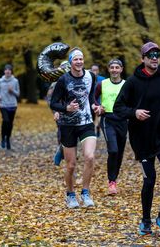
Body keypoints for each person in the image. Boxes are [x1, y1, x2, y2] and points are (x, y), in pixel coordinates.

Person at [114, 42, 160, 236]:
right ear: (143, 59)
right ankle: (145, 219)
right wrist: (134, 112)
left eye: (157, 54)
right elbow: (118, 108)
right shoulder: (132, 82)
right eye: (150, 55)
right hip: (142, 138)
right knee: (150, 180)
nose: (154, 58)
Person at [50, 47, 99, 209]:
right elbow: (54, 103)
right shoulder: (63, 80)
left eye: (81, 59)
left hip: (86, 123)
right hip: (67, 125)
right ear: (71, 62)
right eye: (76, 59)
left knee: (90, 157)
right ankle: (70, 194)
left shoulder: (91, 76)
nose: (79, 62)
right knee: (71, 165)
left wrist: (96, 106)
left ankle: (85, 192)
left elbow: (92, 98)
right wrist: (66, 108)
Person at [94, 59, 127, 195]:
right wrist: (97, 106)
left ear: (121, 69)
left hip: (122, 120)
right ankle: (111, 181)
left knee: (119, 152)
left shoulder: (126, 84)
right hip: (108, 119)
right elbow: (93, 97)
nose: (114, 70)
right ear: (108, 69)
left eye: (117, 67)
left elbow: (134, 100)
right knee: (113, 150)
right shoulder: (102, 84)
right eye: (112, 67)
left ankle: (114, 179)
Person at [0, 64, 20, 150]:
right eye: (6, 70)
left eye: (9, 70)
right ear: (4, 71)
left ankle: (8, 139)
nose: (8, 71)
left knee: (10, 124)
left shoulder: (15, 81)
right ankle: (3, 138)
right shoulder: (0, 81)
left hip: (13, 105)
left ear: (11, 71)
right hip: (3, 105)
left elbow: (18, 94)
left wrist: (12, 91)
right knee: (5, 120)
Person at [91, 63, 106, 137]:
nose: (95, 72)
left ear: (98, 71)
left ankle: (98, 127)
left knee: (99, 119)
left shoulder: (103, 79)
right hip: (91, 103)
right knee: (93, 119)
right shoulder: (88, 79)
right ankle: (94, 130)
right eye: (93, 70)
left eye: (96, 70)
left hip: (100, 103)